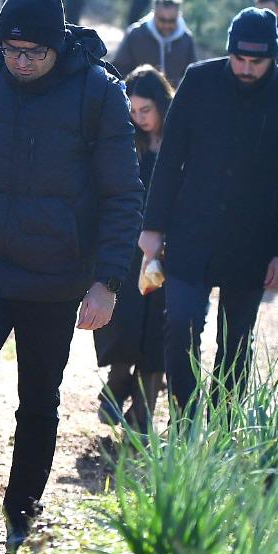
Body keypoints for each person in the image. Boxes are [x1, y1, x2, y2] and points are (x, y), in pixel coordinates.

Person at [0, 0, 141, 551]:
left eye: (34, 53)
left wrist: (108, 282)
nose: (21, 62)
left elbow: (123, 193)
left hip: (55, 277)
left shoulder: (97, 94)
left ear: (58, 48)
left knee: (38, 398)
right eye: (12, 49)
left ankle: (22, 507)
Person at [140, 8, 278, 411]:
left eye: (256, 62)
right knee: (179, 326)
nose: (245, 68)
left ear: (273, 55)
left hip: (254, 239)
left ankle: (223, 427)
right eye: (239, 59)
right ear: (229, 51)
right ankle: (185, 419)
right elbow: (170, 158)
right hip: (190, 231)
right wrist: (153, 226)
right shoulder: (199, 80)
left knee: (237, 339)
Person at [94, 66, 175, 433]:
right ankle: (117, 382)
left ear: (162, 105)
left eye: (146, 111)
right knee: (125, 319)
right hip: (129, 245)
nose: (139, 118)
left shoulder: (178, 140)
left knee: (159, 327)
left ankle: (143, 411)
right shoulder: (127, 140)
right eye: (134, 111)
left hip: (169, 249)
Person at [111, 0, 198, 85]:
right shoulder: (136, 34)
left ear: (179, 15)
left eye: (172, 20)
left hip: (174, 98)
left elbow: (192, 74)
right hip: (139, 97)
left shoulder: (186, 38)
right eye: (162, 20)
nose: (166, 25)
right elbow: (119, 68)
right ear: (154, 14)